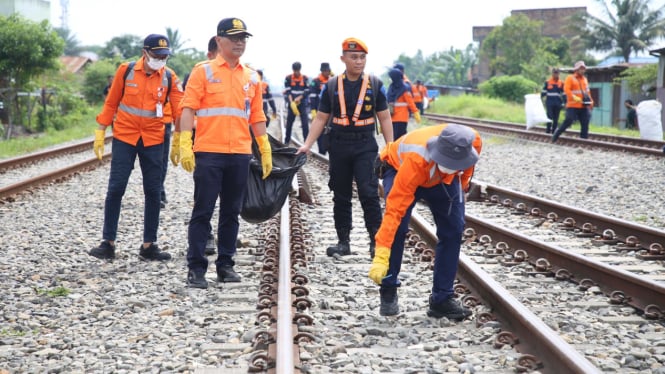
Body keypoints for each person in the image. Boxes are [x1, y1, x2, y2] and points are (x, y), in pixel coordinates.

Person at [177, 17, 272, 289]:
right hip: (209, 153)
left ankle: (226, 265)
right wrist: (185, 141)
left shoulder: (252, 76)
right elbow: (188, 109)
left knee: (231, 212)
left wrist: (263, 147)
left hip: (240, 153)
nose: (240, 42)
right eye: (234, 38)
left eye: (243, 38)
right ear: (219, 41)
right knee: (203, 211)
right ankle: (196, 269)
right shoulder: (203, 72)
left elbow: (257, 115)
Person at [368, 123, 482, 318]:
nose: (450, 168)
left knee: (454, 229)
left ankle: (442, 300)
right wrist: (381, 254)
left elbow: (467, 170)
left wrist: (461, 187)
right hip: (399, 169)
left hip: (442, 181)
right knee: (399, 228)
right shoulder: (416, 160)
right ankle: (388, 289)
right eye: (446, 163)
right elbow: (393, 212)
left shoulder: (473, 143)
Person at [296, 37, 394, 259]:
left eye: (362, 57)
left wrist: (391, 148)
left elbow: (385, 118)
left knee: (369, 193)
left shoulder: (375, 85)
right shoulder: (331, 86)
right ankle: (343, 242)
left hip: (365, 145)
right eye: (354, 57)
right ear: (343, 59)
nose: (359, 62)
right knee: (340, 195)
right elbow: (321, 118)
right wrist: (307, 145)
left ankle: (375, 242)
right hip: (339, 144)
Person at [90, 34, 183, 261]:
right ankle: (108, 243)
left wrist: (182, 137)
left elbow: (180, 109)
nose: (161, 59)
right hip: (125, 137)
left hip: (154, 139)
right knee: (116, 188)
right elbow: (111, 102)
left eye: (164, 56)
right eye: (157, 55)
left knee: (153, 191)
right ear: (145, 52)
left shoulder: (170, 77)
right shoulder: (126, 70)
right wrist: (101, 130)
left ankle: (149, 246)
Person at [552, 61, 593, 142]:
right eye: (581, 69)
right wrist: (573, 97)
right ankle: (557, 134)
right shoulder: (570, 78)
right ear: (576, 69)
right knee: (568, 121)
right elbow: (566, 89)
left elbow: (587, 92)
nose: (583, 70)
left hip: (583, 105)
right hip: (572, 105)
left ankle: (584, 140)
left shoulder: (585, 79)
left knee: (585, 121)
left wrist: (591, 101)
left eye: (584, 69)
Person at [387, 68, 420, 140]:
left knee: (393, 138)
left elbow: (386, 102)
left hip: (392, 118)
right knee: (400, 139)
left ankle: (394, 151)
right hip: (402, 118)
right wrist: (415, 112)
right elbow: (410, 102)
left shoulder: (391, 88)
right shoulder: (405, 88)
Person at [309, 62, 333, 155]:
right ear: (322, 71)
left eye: (328, 71)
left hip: (331, 112)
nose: (327, 72)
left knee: (331, 131)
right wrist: (313, 110)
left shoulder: (332, 80)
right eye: (326, 71)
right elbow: (312, 97)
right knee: (320, 130)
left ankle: (330, 150)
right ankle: (321, 151)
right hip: (320, 110)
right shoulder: (315, 81)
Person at [284, 61, 310, 144]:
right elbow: (288, 91)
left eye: (297, 70)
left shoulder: (305, 78)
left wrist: (300, 98)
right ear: (293, 70)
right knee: (289, 123)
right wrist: (291, 102)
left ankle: (306, 143)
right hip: (292, 104)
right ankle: (286, 141)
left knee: (305, 123)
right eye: (295, 70)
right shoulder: (288, 78)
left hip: (302, 104)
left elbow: (307, 90)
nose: (296, 72)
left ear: (300, 69)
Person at [540, 68, 565, 134]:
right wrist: (538, 97)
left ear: (559, 74)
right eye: (554, 73)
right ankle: (548, 131)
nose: (555, 74)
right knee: (549, 116)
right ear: (552, 73)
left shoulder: (561, 83)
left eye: (557, 73)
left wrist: (565, 102)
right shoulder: (548, 82)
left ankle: (554, 132)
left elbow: (564, 94)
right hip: (549, 102)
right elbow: (543, 92)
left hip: (558, 103)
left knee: (556, 118)